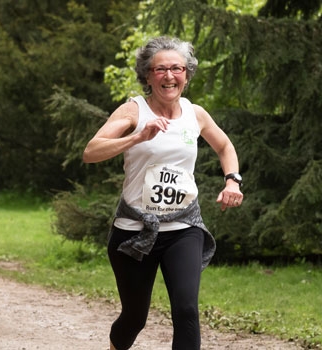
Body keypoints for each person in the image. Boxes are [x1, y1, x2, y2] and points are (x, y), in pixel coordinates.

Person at [82, 36, 244, 350]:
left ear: (187, 73)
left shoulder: (194, 113)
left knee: (186, 310)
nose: (169, 76)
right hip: (134, 232)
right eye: (160, 70)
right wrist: (137, 137)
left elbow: (225, 146)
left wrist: (232, 181)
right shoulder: (133, 110)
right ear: (147, 75)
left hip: (183, 228)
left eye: (176, 68)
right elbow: (91, 151)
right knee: (134, 317)